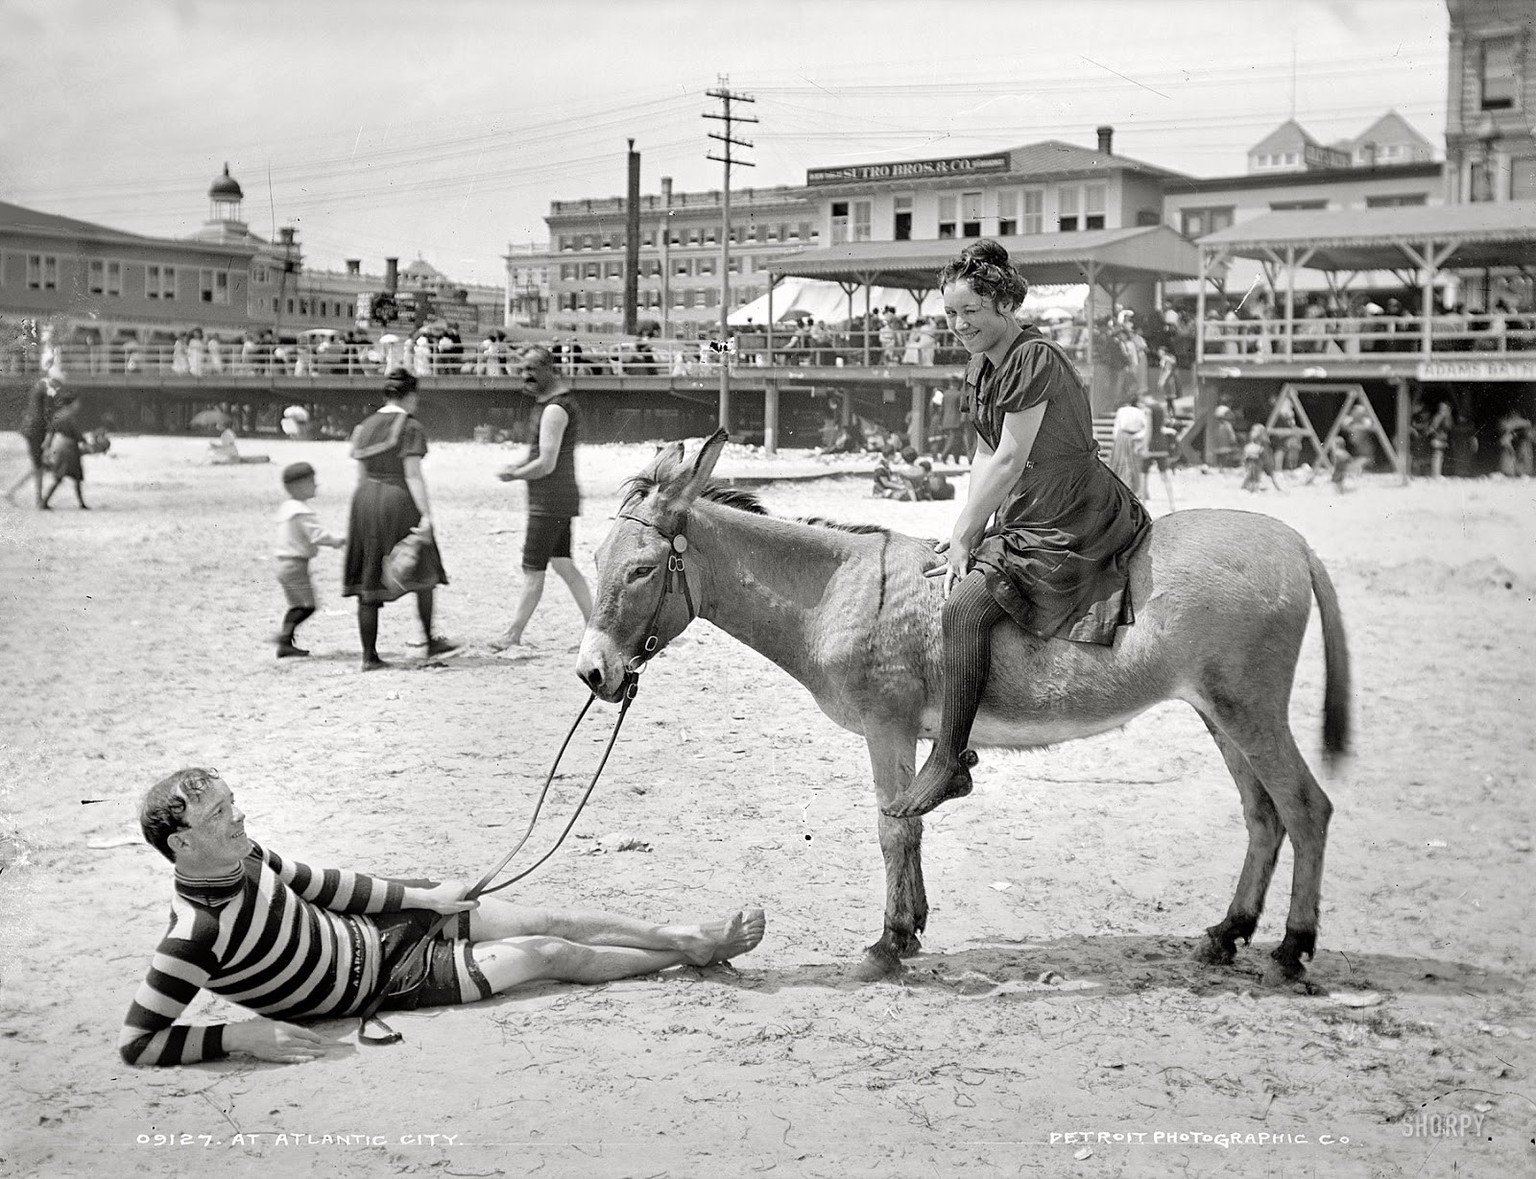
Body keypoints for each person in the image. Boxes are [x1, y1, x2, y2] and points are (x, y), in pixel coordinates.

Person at [120, 767, 766, 1067]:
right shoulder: (193, 936)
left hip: (386, 927)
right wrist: (241, 1037)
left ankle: (678, 933)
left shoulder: (250, 854)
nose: (239, 819)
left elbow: (330, 885)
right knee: (547, 953)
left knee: (548, 914)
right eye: (219, 817)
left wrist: (424, 898)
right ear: (180, 844)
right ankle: (688, 952)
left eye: (234, 803)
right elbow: (138, 1042)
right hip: (384, 984)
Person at [884, 240, 1151, 818]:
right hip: (1027, 507)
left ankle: (951, 760)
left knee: (963, 608)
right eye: (950, 314)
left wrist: (964, 536)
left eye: (970, 313)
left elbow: (1009, 457)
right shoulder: (982, 366)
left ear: (1005, 304)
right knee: (952, 577)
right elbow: (984, 456)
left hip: (1071, 511)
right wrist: (968, 527)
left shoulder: (1035, 359)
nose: (958, 326)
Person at [342, 368, 457, 671]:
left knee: (369, 577)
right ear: (411, 395)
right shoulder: (410, 426)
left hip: (364, 500)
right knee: (424, 567)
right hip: (397, 497)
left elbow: (361, 474)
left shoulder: (365, 426)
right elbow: (413, 474)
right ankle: (430, 641)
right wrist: (427, 516)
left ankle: (369, 656)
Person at [491, 346, 594, 653]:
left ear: (549, 368)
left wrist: (515, 474)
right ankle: (595, 627)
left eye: (532, 370)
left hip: (548, 502)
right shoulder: (556, 403)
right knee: (564, 565)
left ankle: (513, 634)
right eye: (522, 370)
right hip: (559, 499)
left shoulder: (554, 408)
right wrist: (520, 467)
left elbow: (546, 463)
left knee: (533, 569)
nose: (525, 376)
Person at [274, 461, 345, 659]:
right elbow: (318, 536)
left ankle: (285, 640)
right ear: (299, 485)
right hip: (295, 564)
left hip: (284, 563)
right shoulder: (301, 511)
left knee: (297, 605)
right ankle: (284, 640)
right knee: (307, 606)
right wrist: (339, 540)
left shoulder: (287, 508)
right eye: (311, 482)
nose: (316, 485)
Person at [5, 374, 56, 507]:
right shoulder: (46, 390)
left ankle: (13, 492)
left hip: (31, 429)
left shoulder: (39, 388)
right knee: (38, 466)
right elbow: (48, 414)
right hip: (35, 430)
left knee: (37, 466)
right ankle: (34, 498)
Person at [39, 391, 89, 510]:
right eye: (77, 402)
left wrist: (46, 449)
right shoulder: (70, 416)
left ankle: (45, 501)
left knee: (60, 476)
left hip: (61, 447)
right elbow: (76, 434)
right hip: (70, 448)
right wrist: (84, 441)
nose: (79, 405)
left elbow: (50, 433)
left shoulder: (58, 415)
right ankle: (81, 503)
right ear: (71, 403)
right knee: (75, 477)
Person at [1108, 393, 1148, 497]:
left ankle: (1121, 488)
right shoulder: (1140, 412)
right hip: (1132, 438)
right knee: (1132, 464)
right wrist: (1137, 437)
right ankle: (1130, 488)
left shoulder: (1121, 411)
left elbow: (1116, 426)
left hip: (1121, 438)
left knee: (1120, 463)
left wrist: (1117, 439)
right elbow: (1145, 428)